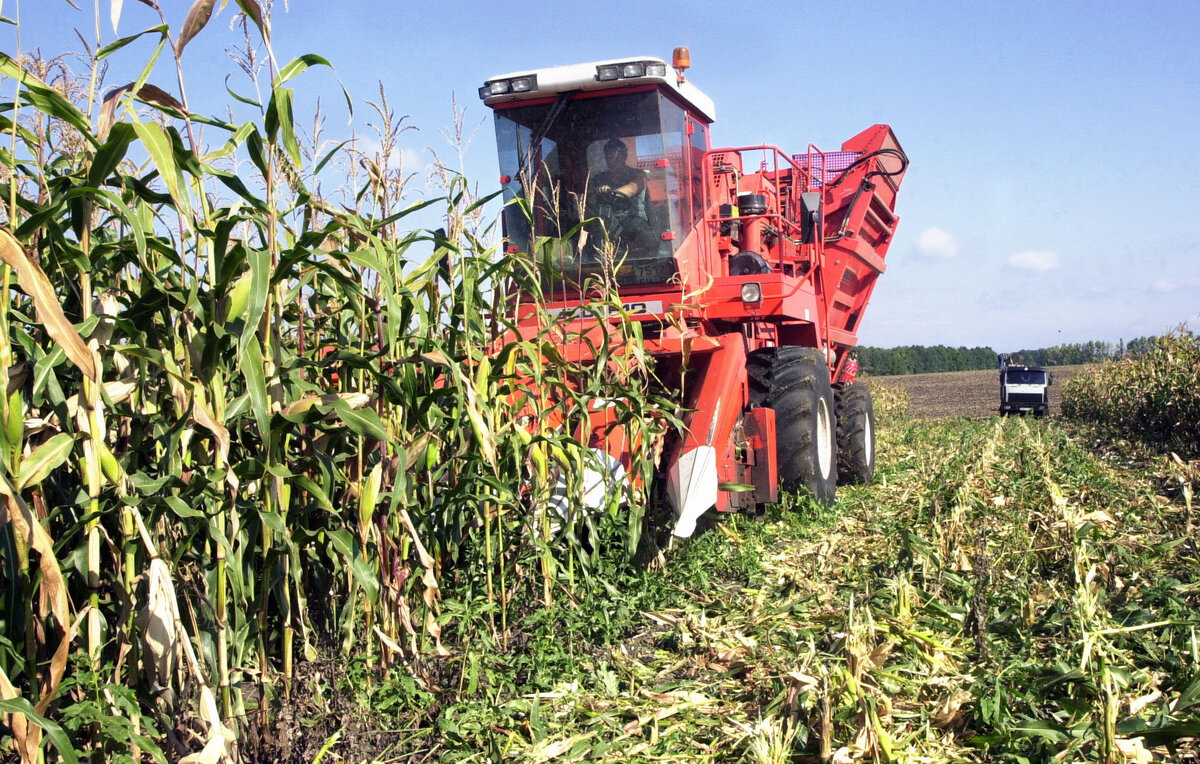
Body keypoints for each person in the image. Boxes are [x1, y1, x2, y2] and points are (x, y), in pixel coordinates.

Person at [585, 139, 656, 257]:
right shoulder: (598, 179)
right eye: (609, 157)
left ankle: (648, 257)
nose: (612, 161)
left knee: (642, 235)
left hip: (635, 220)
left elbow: (633, 188)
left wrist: (611, 191)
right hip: (607, 223)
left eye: (616, 157)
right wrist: (596, 192)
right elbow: (589, 201)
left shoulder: (638, 174)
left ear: (624, 156)